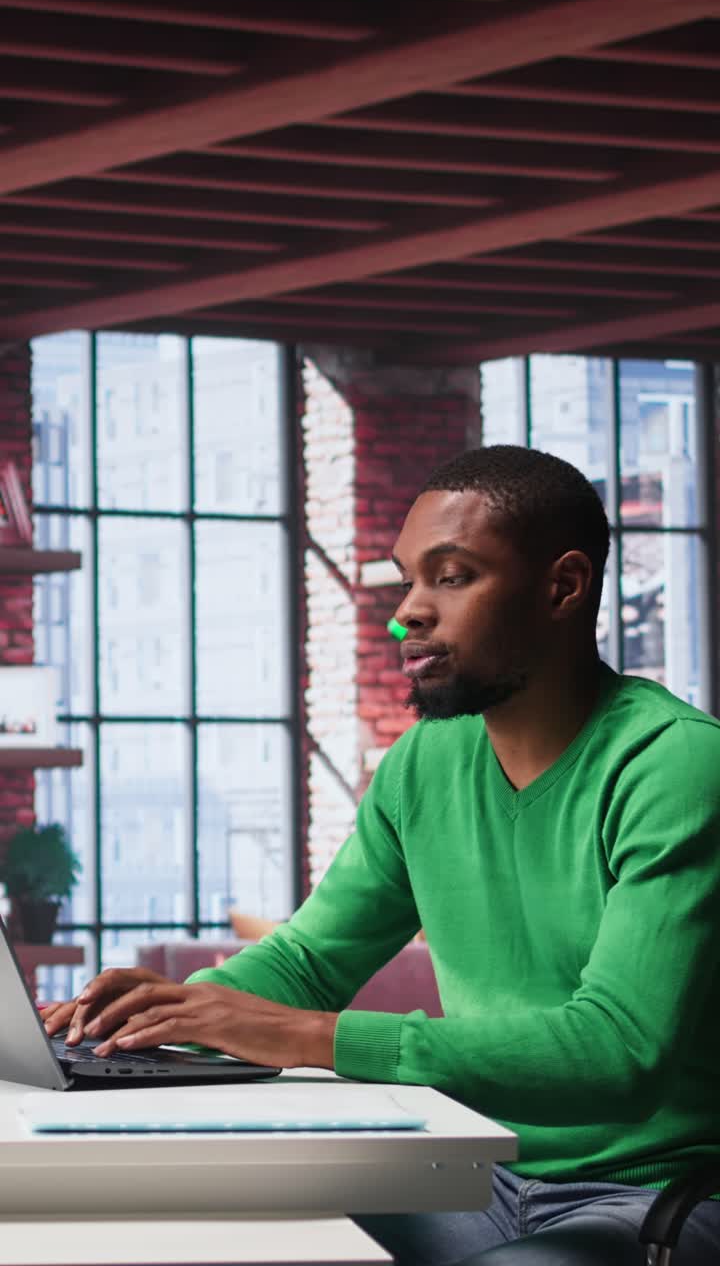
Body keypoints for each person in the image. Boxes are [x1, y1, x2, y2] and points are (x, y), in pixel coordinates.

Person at [43, 446, 720, 1264]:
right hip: (470, 1170)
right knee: (202, 1234)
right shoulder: (423, 765)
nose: (408, 616)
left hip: (654, 1196)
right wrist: (160, 1016)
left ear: (563, 587)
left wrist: (311, 1037)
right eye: (407, 581)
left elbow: (619, 1053)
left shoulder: (676, 764)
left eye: (453, 577)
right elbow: (307, 960)